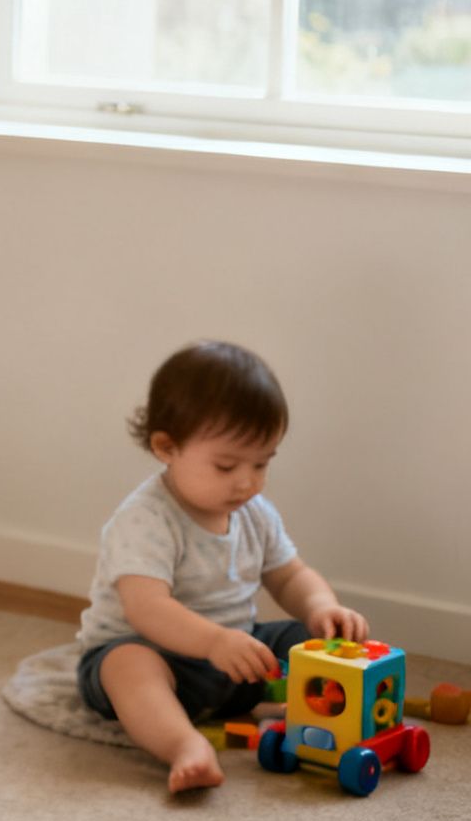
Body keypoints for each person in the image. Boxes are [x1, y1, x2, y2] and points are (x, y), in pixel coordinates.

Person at [73, 340, 368, 793]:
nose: (248, 481)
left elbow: (289, 575)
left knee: (308, 641)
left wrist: (321, 607)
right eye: (226, 465)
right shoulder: (144, 519)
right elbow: (146, 608)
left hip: (234, 654)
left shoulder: (256, 513)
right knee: (128, 665)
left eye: (261, 463)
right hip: (157, 655)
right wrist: (212, 641)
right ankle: (183, 745)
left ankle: (322, 715)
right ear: (166, 447)